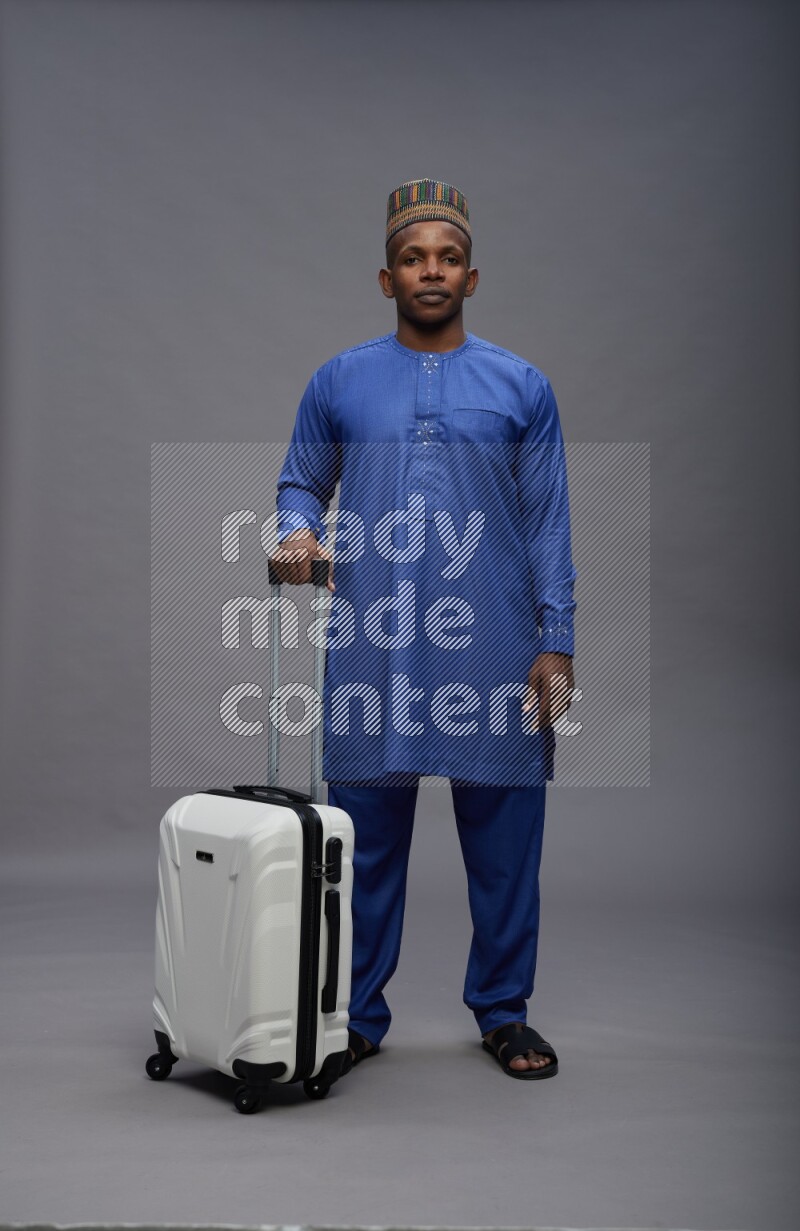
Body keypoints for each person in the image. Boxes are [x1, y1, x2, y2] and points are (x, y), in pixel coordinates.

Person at [270, 179, 576, 1079]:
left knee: (507, 842)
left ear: (471, 277)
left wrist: (556, 639)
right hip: (377, 641)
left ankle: (504, 1011)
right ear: (386, 276)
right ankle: (356, 1015)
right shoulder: (340, 379)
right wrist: (294, 527)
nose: (430, 270)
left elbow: (551, 520)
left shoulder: (523, 385)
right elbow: (298, 479)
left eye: (446, 257)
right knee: (361, 843)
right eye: (413, 258)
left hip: (497, 640)